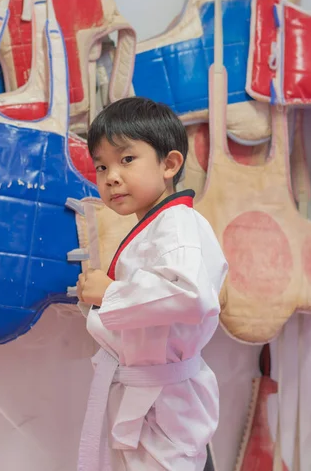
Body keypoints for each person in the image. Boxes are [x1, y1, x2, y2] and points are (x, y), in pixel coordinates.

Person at [75, 97, 228, 471]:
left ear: (169, 164)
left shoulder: (177, 225)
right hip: (151, 395)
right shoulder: (158, 225)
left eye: (126, 159)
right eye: (101, 165)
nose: (111, 176)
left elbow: (191, 296)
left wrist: (109, 294)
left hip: (167, 399)